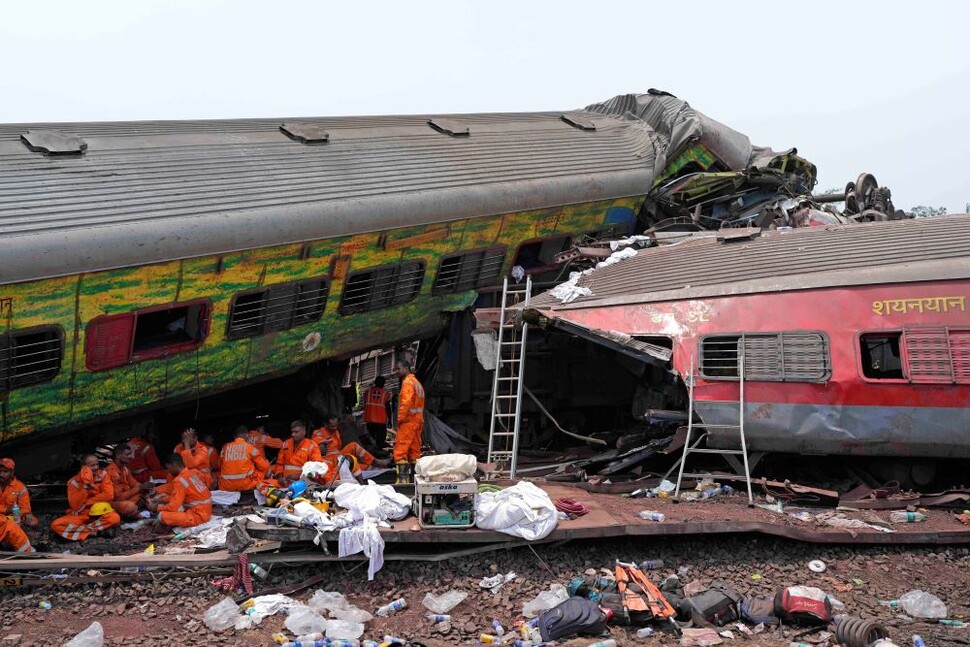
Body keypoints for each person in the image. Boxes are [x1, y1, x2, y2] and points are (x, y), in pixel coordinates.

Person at [51, 454, 122, 541]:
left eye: (97, 464)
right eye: (92, 465)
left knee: (115, 518)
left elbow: (109, 495)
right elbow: (76, 506)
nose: (96, 467)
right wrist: (85, 484)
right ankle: (96, 533)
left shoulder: (103, 475)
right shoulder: (74, 482)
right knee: (56, 525)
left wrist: (88, 501)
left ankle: (78, 531)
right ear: (83, 467)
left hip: (99, 514)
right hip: (81, 515)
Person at [148, 454, 212, 528]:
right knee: (169, 506)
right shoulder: (193, 472)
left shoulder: (179, 480)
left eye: (168, 468)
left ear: (174, 465)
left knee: (162, 515)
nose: (168, 471)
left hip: (198, 515)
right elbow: (175, 496)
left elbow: (173, 507)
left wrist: (156, 508)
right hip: (205, 510)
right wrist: (159, 500)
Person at [311, 415, 389, 476]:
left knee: (359, 464)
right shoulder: (319, 433)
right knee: (353, 447)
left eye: (336, 426)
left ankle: (377, 466)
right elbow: (320, 449)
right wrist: (322, 445)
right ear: (326, 424)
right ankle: (376, 462)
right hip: (329, 461)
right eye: (332, 426)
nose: (335, 428)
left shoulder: (336, 432)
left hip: (338, 458)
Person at [393, 359, 425, 484]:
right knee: (414, 452)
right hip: (417, 421)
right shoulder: (417, 383)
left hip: (408, 421)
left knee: (400, 450)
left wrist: (400, 419)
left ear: (406, 368)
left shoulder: (407, 383)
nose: (396, 371)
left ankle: (402, 481)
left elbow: (406, 403)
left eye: (398, 369)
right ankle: (415, 480)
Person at [219, 426, 277, 494]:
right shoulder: (250, 448)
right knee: (264, 466)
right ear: (247, 435)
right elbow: (264, 467)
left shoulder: (225, 448)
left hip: (226, 486)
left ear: (235, 436)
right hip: (245, 485)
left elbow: (219, 465)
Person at [274, 420, 321, 485]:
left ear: (304, 432)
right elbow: (279, 464)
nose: (293, 434)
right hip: (284, 482)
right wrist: (279, 477)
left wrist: (299, 476)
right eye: (292, 432)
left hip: (302, 482)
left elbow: (316, 468)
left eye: (296, 432)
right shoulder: (285, 444)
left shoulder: (312, 446)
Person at [104, 444, 142, 520]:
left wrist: (143, 487)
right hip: (115, 502)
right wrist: (138, 488)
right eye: (127, 454)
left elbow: (134, 483)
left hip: (127, 498)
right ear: (118, 456)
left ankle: (133, 510)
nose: (131, 457)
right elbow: (118, 498)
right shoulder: (110, 472)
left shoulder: (124, 469)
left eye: (130, 454)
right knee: (131, 507)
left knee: (146, 493)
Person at [0, 457, 38, 528]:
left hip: (12, 516)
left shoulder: (20, 487)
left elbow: (25, 506)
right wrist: (6, 510)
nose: (1, 475)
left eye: (5, 471)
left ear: (12, 473)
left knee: (33, 521)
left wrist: (25, 514)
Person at [362, 376, 392, 456]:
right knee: (380, 440)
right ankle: (378, 454)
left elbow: (365, 405)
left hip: (370, 419)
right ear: (383, 384)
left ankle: (372, 454)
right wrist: (390, 420)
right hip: (380, 420)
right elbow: (388, 408)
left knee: (371, 438)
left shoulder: (367, 392)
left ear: (375, 382)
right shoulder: (385, 394)